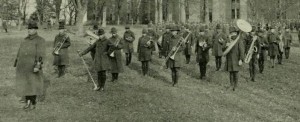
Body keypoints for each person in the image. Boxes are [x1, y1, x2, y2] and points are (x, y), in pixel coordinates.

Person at [14, 20, 46, 110]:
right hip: (23, 67)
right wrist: (17, 62)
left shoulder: (40, 40)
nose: (29, 30)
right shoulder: (25, 40)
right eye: (29, 29)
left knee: (33, 85)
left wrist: (37, 66)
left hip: (32, 66)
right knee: (26, 85)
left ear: (36, 29)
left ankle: (32, 103)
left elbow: (41, 55)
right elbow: (20, 51)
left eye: (32, 29)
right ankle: (28, 102)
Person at [224, 27, 245, 91]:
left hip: (236, 58)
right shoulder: (228, 40)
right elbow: (224, 50)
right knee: (230, 72)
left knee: (235, 73)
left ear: (235, 33)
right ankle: (231, 85)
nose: (231, 34)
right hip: (229, 58)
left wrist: (241, 59)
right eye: (230, 33)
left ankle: (235, 86)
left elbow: (242, 51)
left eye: (232, 33)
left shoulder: (239, 40)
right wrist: (225, 46)